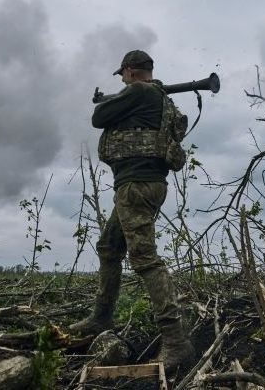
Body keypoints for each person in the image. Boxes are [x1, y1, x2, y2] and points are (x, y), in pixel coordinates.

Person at [70, 50, 195, 374]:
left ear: (129, 71)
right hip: (143, 185)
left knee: (145, 259)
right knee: (110, 248)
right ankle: (101, 317)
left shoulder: (139, 91)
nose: (123, 80)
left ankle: (176, 341)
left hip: (136, 186)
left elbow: (98, 118)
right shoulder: (160, 99)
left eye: (123, 75)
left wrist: (113, 99)